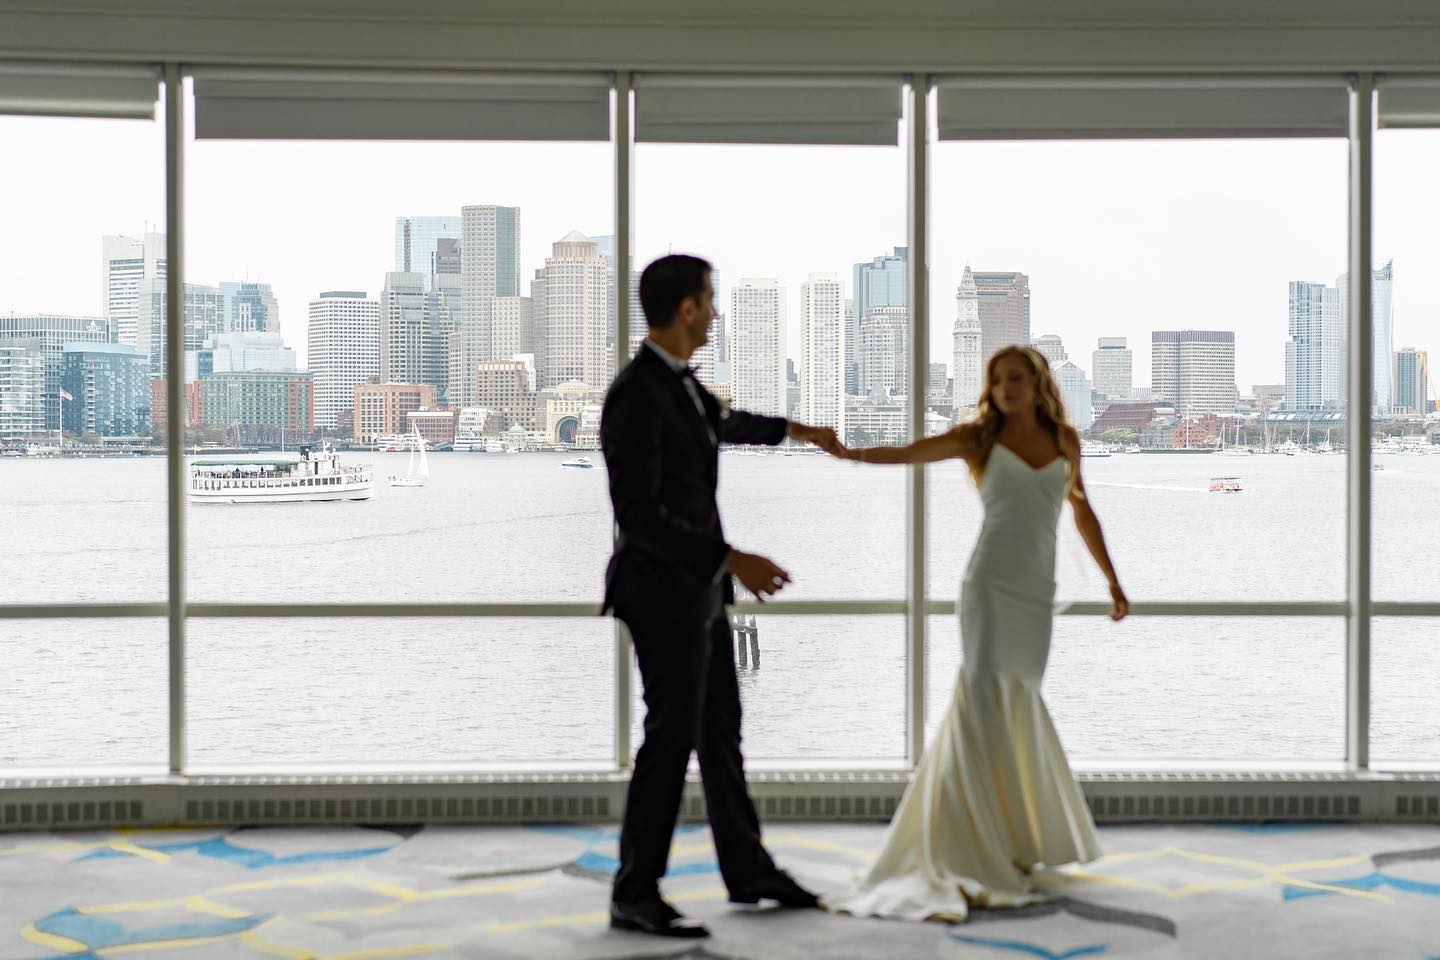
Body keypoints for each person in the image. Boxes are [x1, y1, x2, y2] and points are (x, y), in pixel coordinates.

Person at [827, 344, 1129, 923]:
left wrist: (1115, 582)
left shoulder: (1066, 439)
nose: (1004, 387)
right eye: (995, 380)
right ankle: (969, 843)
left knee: (1018, 702)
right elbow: (910, 453)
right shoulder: (978, 439)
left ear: (1037, 381)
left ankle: (1013, 841)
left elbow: (1083, 512)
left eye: (1014, 377)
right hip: (989, 587)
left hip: (1035, 594)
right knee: (984, 698)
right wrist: (851, 452)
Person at [601, 254, 842, 939]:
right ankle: (634, 890)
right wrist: (731, 558)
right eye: (709, 300)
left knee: (720, 736)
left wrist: (802, 432)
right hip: (659, 594)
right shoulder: (637, 392)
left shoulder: (679, 385)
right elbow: (639, 516)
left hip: (700, 592)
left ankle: (749, 870)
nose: (714, 313)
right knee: (670, 738)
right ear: (686, 310)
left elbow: (726, 424)